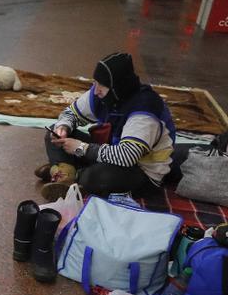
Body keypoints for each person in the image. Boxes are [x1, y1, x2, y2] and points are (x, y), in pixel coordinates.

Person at [39, 52, 176, 199]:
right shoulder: (102, 93)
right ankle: (66, 174)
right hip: (110, 151)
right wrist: (63, 128)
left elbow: (127, 156)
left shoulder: (145, 108)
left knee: (94, 177)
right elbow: (71, 113)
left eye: (102, 85)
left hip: (141, 171)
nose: (96, 90)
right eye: (95, 83)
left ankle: (64, 172)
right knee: (53, 133)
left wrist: (81, 148)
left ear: (118, 87)